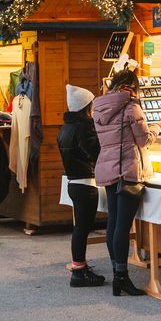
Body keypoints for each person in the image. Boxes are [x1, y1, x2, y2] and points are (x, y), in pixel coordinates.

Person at [93, 68, 161, 296]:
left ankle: (117, 275)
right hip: (127, 171)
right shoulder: (131, 107)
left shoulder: (100, 106)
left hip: (107, 168)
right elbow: (143, 140)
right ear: (132, 86)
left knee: (113, 223)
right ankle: (121, 278)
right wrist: (156, 127)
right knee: (123, 226)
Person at [58, 83, 104, 287]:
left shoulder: (65, 129)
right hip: (86, 183)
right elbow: (96, 153)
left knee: (80, 228)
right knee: (83, 229)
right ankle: (78, 271)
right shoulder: (85, 127)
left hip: (73, 182)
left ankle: (79, 266)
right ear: (86, 106)